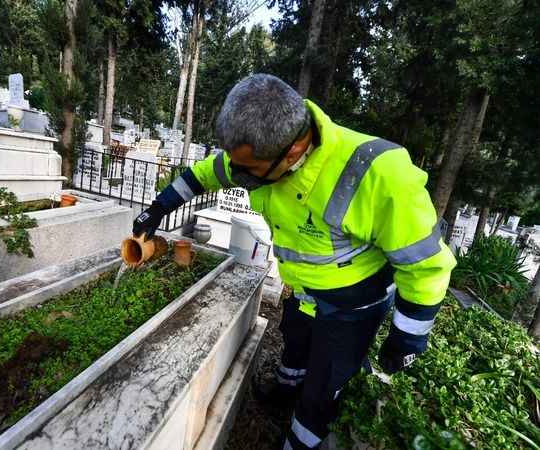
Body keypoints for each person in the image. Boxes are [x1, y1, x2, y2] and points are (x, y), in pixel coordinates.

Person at [132, 74, 456, 449]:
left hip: (353, 305)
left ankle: (301, 439)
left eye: (248, 172)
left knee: (324, 388)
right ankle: (285, 391)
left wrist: (408, 338)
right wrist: (157, 209)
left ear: (292, 152)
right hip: (304, 291)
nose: (236, 177)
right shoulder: (258, 155)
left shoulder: (377, 172)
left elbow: (426, 264)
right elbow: (204, 175)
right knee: (295, 343)